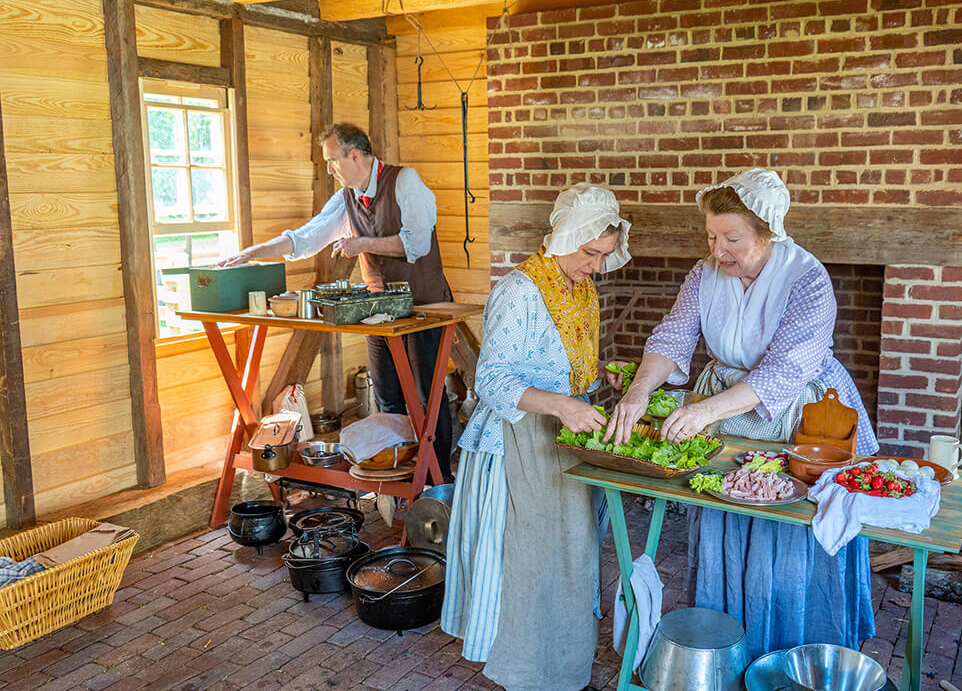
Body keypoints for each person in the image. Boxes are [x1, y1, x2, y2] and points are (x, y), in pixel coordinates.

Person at [605, 168, 879, 657]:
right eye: (712, 236)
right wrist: (639, 389)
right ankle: (729, 643)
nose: (718, 250)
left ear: (767, 232)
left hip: (800, 410)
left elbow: (784, 370)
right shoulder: (704, 275)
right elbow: (673, 338)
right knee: (727, 511)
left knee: (787, 518)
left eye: (732, 238)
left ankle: (795, 651)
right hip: (727, 407)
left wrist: (704, 410)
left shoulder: (807, 277)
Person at [441, 184, 631, 691]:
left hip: (561, 436)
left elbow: (567, 368)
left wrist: (599, 379)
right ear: (564, 235)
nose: (596, 265)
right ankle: (525, 669)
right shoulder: (519, 291)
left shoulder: (579, 287)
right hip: (518, 443)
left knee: (570, 553)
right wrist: (562, 404)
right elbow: (492, 380)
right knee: (530, 558)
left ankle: (563, 664)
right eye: (590, 253)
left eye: (603, 256)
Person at [219, 122, 456, 482]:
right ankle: (397, 473)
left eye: (332, 160)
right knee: (388, 397)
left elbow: (416, 244)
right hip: (378, 311)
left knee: (427, 399)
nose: (329, 168)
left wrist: (361, 244)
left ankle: (437, 482)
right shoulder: (346, 197)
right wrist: (253, 253)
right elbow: (305, 239)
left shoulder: (405, 182)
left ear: (354, 155)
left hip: (426, 307)